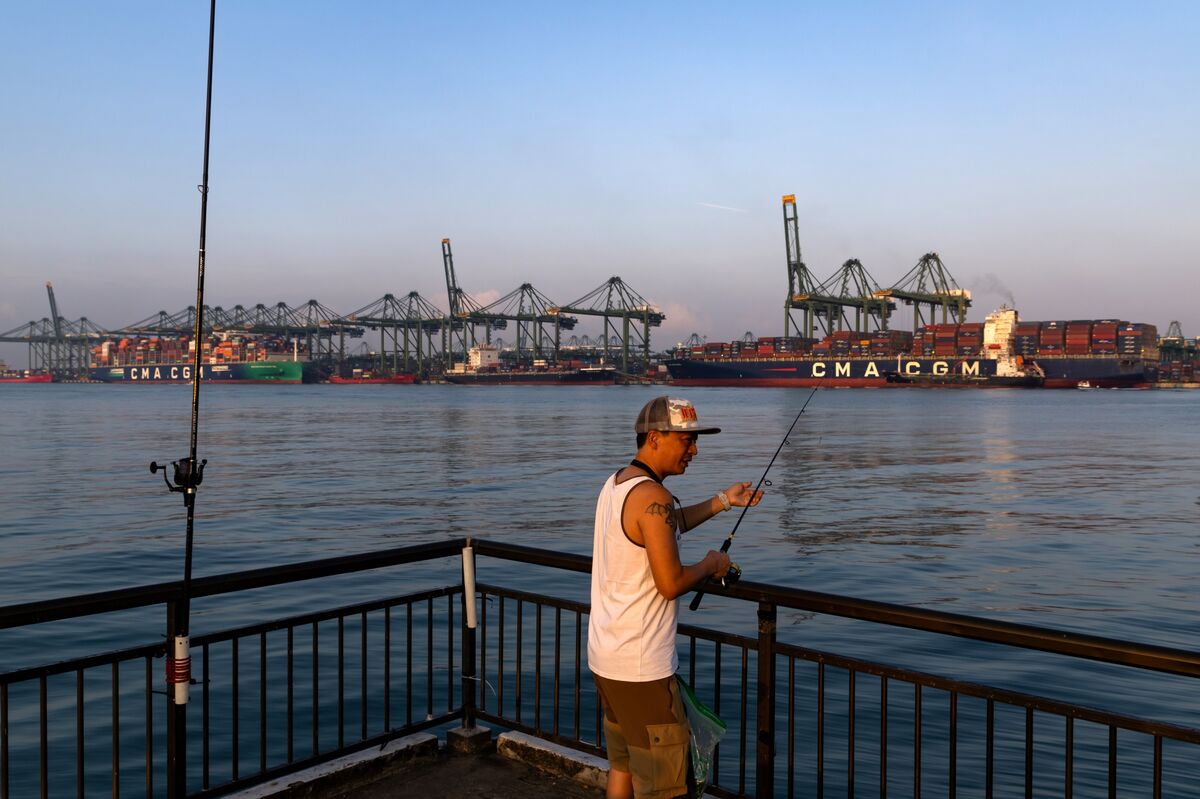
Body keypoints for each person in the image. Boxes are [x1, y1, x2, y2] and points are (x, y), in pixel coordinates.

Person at [588, 396, 762, 799]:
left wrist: (723, 501)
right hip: (642, 669)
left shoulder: (619, 484)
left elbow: (666, 526)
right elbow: (670, 583)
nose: (694, 450)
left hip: (606, 657)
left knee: (623, 767)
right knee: (666, 786)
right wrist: (711, 564)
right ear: (654, 438)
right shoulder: (654, 497)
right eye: (686, 440)